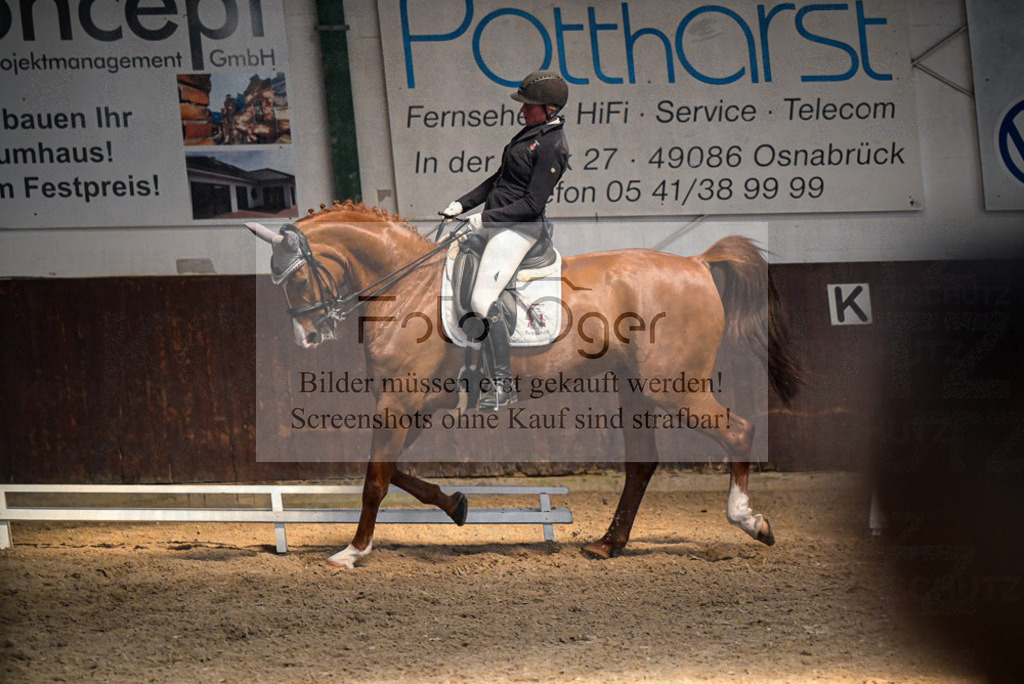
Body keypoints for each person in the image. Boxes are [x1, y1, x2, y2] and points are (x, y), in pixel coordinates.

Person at [441, 71, 570, 410]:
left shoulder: (553, 145)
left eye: (529, 106)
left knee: (484, 301)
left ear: (550, 109)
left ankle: (502, 385)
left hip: (520, 229)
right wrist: (462, 203)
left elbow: (532, 204)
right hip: (498, 223)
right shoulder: (530, 132)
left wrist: (483, 218)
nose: (522, 110)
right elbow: (498, 180)